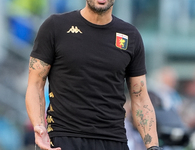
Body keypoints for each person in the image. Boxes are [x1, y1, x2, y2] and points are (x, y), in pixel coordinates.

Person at [25, 1, 161, 150]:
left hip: (113, 141)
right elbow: (35, 84)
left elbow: (140, 98)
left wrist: (152, 146)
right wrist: (39, 126)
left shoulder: (131, 36)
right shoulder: (55, 26)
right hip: (64, 139)